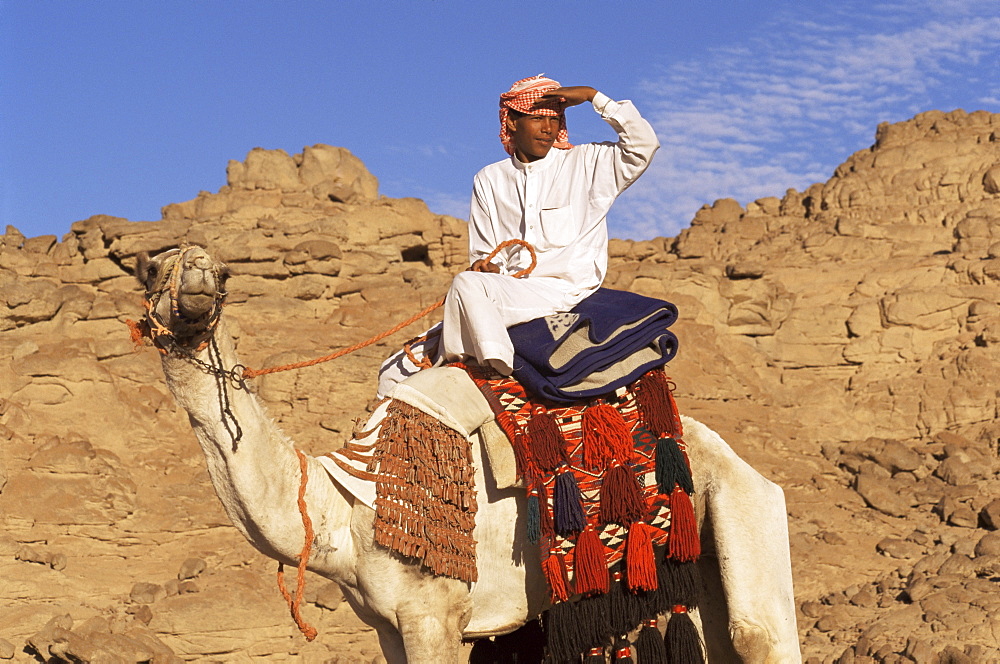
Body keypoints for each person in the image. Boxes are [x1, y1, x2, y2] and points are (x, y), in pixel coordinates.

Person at [377, 74, 659, 396]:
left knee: (466, 286)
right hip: (510, 292)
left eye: (555, 119)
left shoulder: (588, 163)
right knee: (392, 370)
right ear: (511, 121)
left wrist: (595, 97)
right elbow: (484, 255)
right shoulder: (490, 179)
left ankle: (493, 374)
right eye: (538, 118)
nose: (548, 128)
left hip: (565, 290)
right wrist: (487, 267)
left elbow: (643, 146)